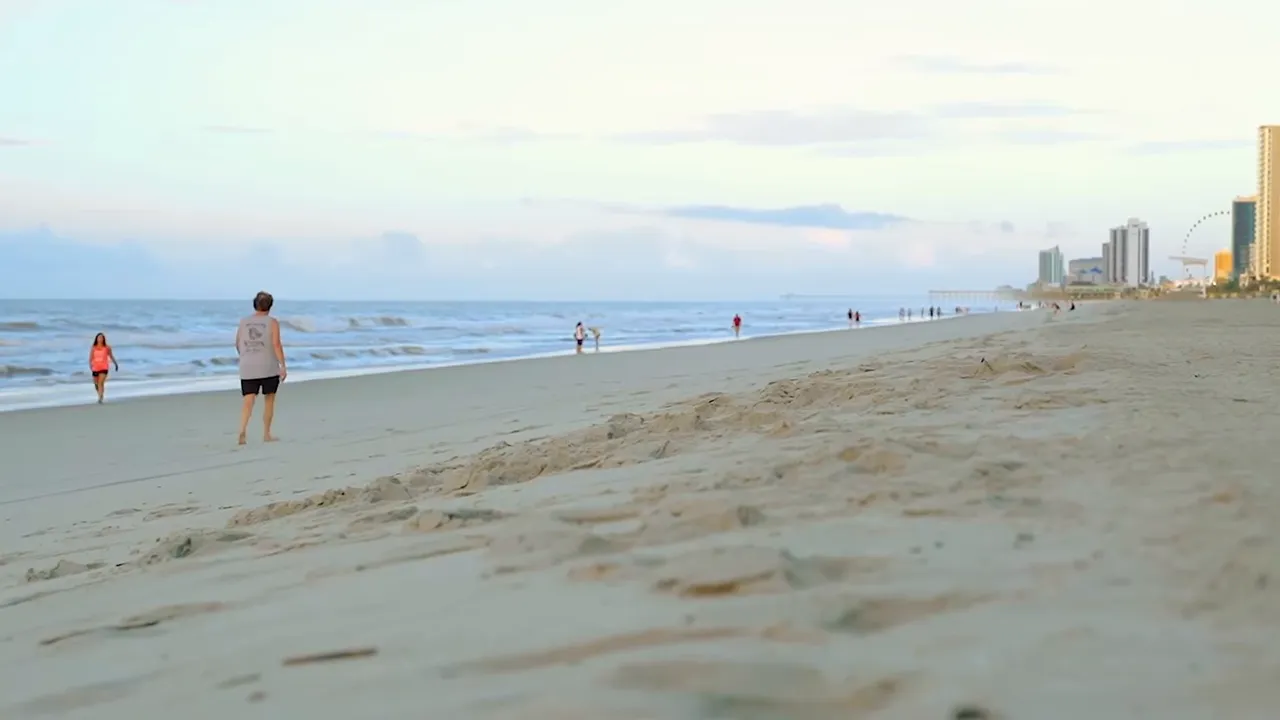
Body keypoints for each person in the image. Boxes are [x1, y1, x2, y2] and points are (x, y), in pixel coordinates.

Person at [236, 291, 286, 445]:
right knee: (269, 399)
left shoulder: (244, 322)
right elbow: (276, 344)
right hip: (267, 366)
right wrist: (282, 365)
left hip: (247, 366)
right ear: (270, 306)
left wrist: (245, 355)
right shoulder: (272, 322)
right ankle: (266, 434)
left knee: (248, 400)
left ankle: (242, 430)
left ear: (254, 304)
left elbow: (237, 343)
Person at [88, 333, 119, 404]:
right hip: (95, 367)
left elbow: (111, 356)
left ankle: (100, 398)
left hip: (104, 367)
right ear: (96, 339)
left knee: (100, 382)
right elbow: (90, 358)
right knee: (96, 383)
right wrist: (90, 365)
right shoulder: (93, 347)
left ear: (103, 339)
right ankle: (100, 394)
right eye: (99, 338)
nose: (100, 339)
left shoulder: (107, 347)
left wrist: (115, 364)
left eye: (102, 338)